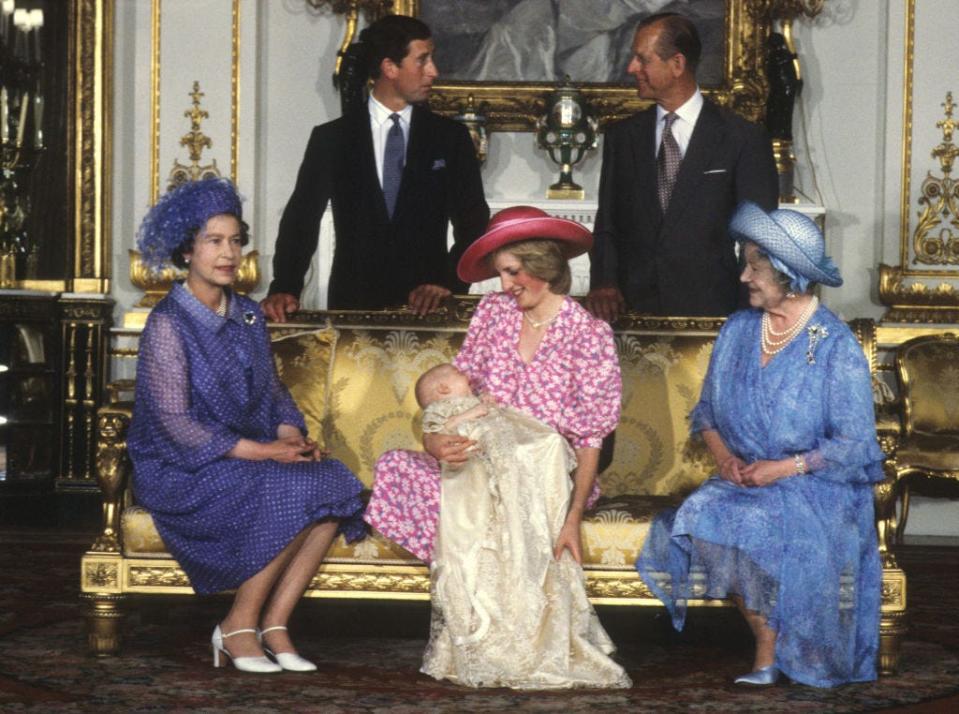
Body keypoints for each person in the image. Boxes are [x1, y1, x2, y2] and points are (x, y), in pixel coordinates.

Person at [365, 205, 630, 688]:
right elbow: (455, 396)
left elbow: (591, 438)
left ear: (542, 265)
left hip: (546, 473)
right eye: (500, 273)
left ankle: (518, 643)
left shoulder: (588, 332)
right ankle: (479, 631)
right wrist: (435, 440)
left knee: (507, 512)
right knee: (396, 466)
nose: (505, 284)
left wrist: (571, 517)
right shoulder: (491, 314)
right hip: (480, 454)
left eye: (512, 272)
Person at [636, 201, 885, 688]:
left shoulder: (834, 344)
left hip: (818, 485)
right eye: (746, 263)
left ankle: (770, 652)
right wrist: (725, 458)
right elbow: (706, 412)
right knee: (699, 515)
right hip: (746, 480)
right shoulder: (738, 330)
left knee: (759, 522)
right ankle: (771, 642)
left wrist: (783, 468)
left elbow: (856, 444)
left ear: (787, 274)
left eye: (756, 266)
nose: (745, 276)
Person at [128, 178, 366, 674]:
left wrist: (286, 434)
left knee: (331, 481)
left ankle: (275, 624)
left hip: (246, 452)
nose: (228, 253)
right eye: (214, 241)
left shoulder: (249, 316)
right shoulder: (168, 323)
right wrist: (263, 454)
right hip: (181, 468)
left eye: (235, 241)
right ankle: (237, 625)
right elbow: (175, 425)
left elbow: (273, 392)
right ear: (187, 249)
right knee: (284, 488)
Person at [414, 363, 629, 688]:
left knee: (546, 446)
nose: (466, 373)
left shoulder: (582, 337)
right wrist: (473, 414)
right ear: (444, 390)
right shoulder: (451, 404)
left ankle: (535, 502)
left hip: (517, 445)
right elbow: (442, 428)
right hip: (478, 459)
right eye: (456, 375)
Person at [262, 14, 489, 320]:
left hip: (429, 312)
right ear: (390, 68)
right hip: (352, 309)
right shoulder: (331, 139)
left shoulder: (451, 138)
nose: (434, 71)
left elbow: (474, 223)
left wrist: (447, 283)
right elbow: (301, 220)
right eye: (422, 60)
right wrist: (285, 286)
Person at [588, 12, 779, 320]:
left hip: (713, 313)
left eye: (642, 59)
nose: (631, 68)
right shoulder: (622, 137)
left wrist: (749, 317)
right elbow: (608, 223)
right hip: (631, 314)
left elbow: (759, 237)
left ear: (677, 64)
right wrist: (604, 282)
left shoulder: (741, 137)